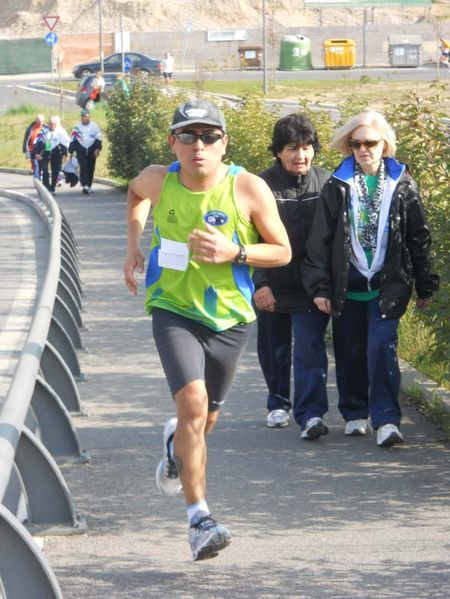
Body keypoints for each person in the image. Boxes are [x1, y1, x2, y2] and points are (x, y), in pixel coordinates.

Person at [123, 99, 291, 561]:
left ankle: (175, 442)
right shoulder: (160, 179)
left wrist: (236, 251)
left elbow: (282, 252)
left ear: (224, 143)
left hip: (230, 319)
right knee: (193, 404)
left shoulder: (248, 188)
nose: (199, 145)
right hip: (173, 308)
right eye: (188, 136)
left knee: (205, 420)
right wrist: (134, 244)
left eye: (209, 136)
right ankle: (199, 519)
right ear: (172, 142)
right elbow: (135, 194)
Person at [302, 110, 439, 447]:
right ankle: (354, 412)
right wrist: (320, 287)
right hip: (347, 285)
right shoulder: (338, 184)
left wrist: (425, 284)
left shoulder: (402, 183)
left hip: (387, 285)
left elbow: (417, 236)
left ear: (385, 146)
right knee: (349, 351)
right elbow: (320, 239)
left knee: (381, 349)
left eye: (370, 143)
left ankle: (387, 420)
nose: (363, 150)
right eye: (356, 144)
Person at [253, 113, 331, 439]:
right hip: (273, 284)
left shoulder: (327, 184)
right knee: (275, 349)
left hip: (313, 287)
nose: (300, 155)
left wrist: (325, 285)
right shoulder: (260, 186)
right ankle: (278, 402)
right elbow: (249, 235)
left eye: (306, 147)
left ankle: (311, 415)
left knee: (310, 348)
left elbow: (334, 241)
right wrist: (260, 283)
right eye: (291, 148)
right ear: (277, 152)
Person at [32, 115, 69, 193]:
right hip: (45, 153)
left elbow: (63, 143)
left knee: (55, 171)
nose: (52, 126)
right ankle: (46, 186)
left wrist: (64, 153)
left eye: (54, 124)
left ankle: (52, 187)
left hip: (56, 153)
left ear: (56, 124)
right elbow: (36, 143)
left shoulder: (59, 132)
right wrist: (36, 153)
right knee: (45, 170)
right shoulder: (43, 132)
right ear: (48, 124)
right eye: (50, 124)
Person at [69, 109, 102, 194]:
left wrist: (97, 149)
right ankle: (85, 185)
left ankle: (89, 186)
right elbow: (73, 139)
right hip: (81, 150)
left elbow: (98, 138)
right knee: (83, 166)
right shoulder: (77, 127)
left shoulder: (94, 126)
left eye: (86, 117)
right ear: (81, 117)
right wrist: (71, 151)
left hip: (91, 150)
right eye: (83, 117)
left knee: (91, 168)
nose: (84, 118)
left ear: (89, 117)